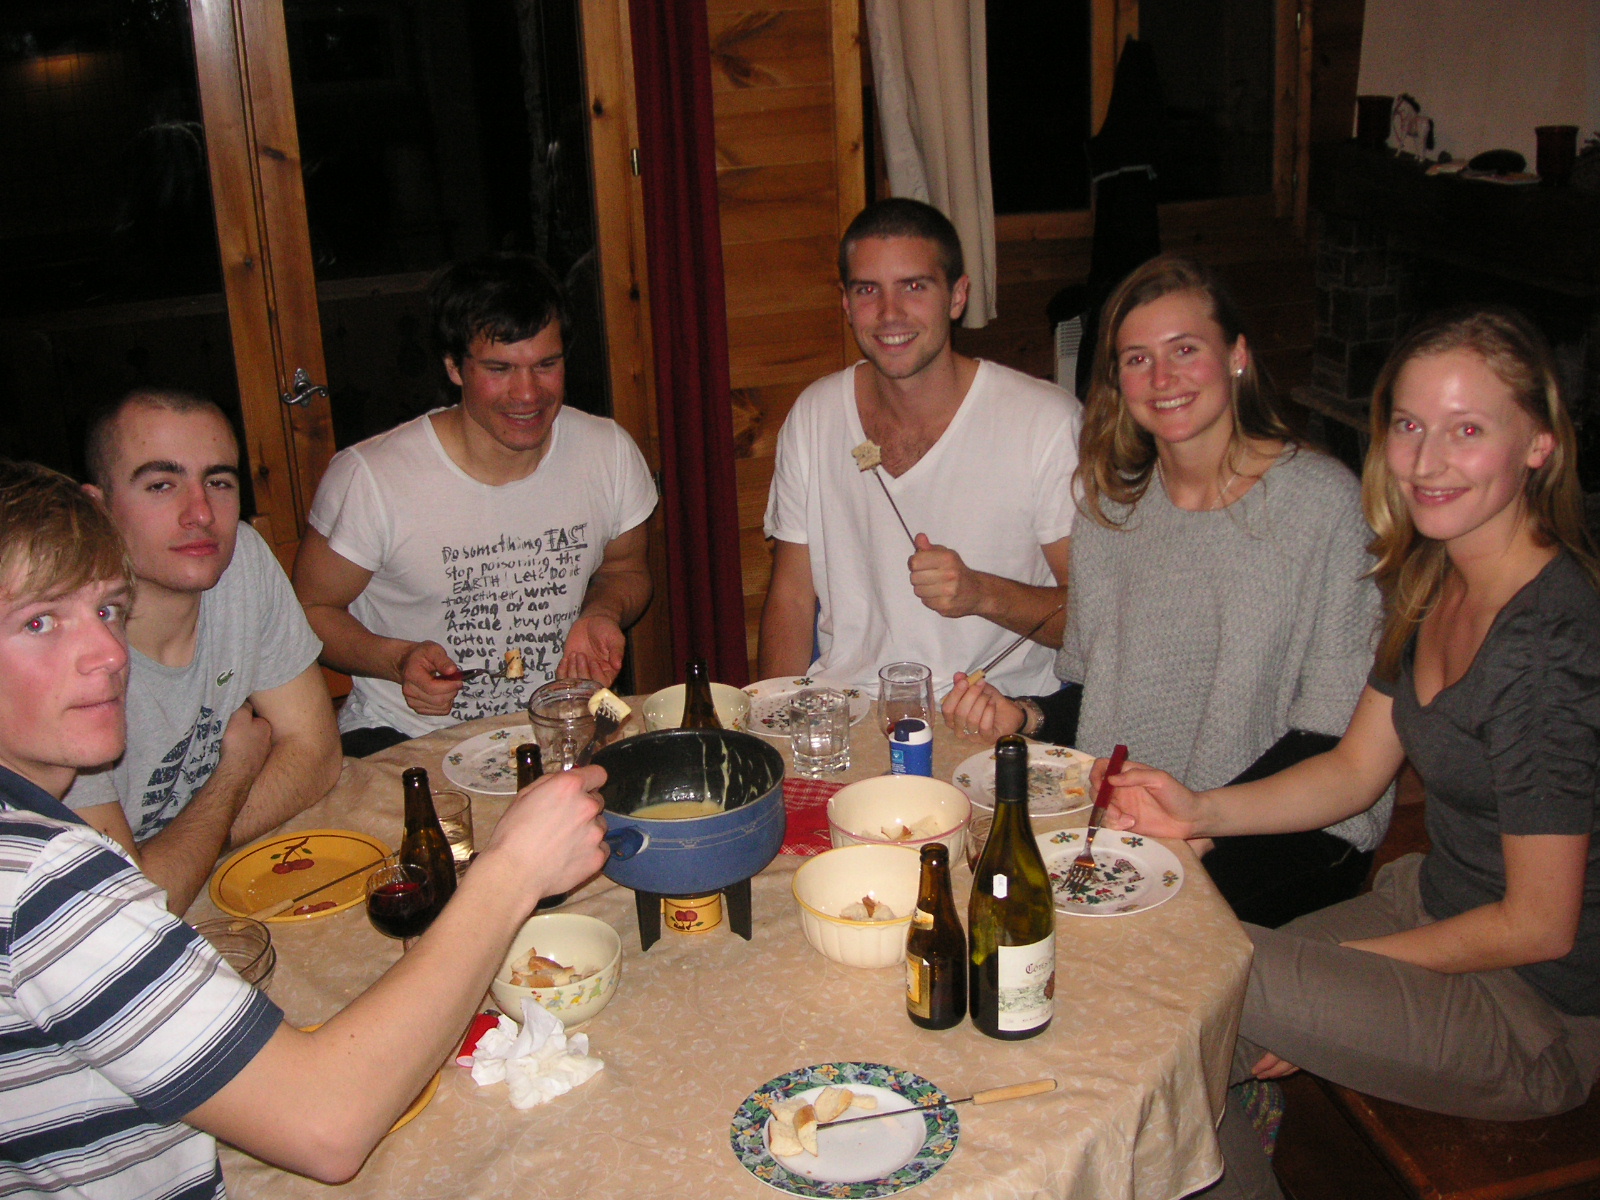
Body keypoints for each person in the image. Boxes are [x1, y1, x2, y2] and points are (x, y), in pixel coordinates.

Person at [0, 459, 609, 1195]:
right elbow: (327, 1125)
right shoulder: (41, 883)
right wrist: (511, 869)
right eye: (39, 623)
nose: (107, 654)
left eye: (107, 611)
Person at [1098, 308, 1600, 1200]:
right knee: (1161, 1056)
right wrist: (1201, 809)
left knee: (1190, 979)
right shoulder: (1432, 576)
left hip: (1538, 1010)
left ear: (1539, 445)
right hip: (1430, 905)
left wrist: (1337, 991)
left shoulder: (1551, 646)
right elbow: (1356, 769)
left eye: (1467, 430)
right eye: (1409, 425)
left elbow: (1540, 925)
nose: (1427, 461)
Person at [944, 255, 1390, 927]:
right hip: (1140, 822)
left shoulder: (1324, 507)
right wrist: (1023, 717)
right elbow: (1101, 699)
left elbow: (1332, 736)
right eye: (1137, 359)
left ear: (1237, 356)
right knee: (982, 887)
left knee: (1110, 937)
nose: (1162, 379)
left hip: (1293, 827)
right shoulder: (1110, 513)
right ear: (1117, 381)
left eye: (1185, 350)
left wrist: (1198, 826)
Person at [293, 252, 657, 757]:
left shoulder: (608, 450)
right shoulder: (371, 477)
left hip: (566, 723)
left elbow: (625, 571)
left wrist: (603, 612)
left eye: (546, 365)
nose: (527, 393)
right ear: (453, 366)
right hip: (408, 734)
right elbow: (309, 610)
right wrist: (396, 660)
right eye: (499, 369)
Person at [758, 198, 1081, 697]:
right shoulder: (814, 414)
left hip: (994, 714)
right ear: (845, 303)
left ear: (957, 296)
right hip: (850, 710)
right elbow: (792, 598)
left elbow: (1093, 618)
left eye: (914, 286)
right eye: (868, 290)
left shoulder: (1046, 422)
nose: (890, 313)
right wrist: (771, 720)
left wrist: (982, 593)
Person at [64, 389, 342, 913]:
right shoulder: (63, 653)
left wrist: (188, 849)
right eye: (161, 484)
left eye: (218, 482)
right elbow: (125, 905)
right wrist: (234, 775)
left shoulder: (240, 561)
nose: (201, 513)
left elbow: (317, 754)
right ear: (96, 508)